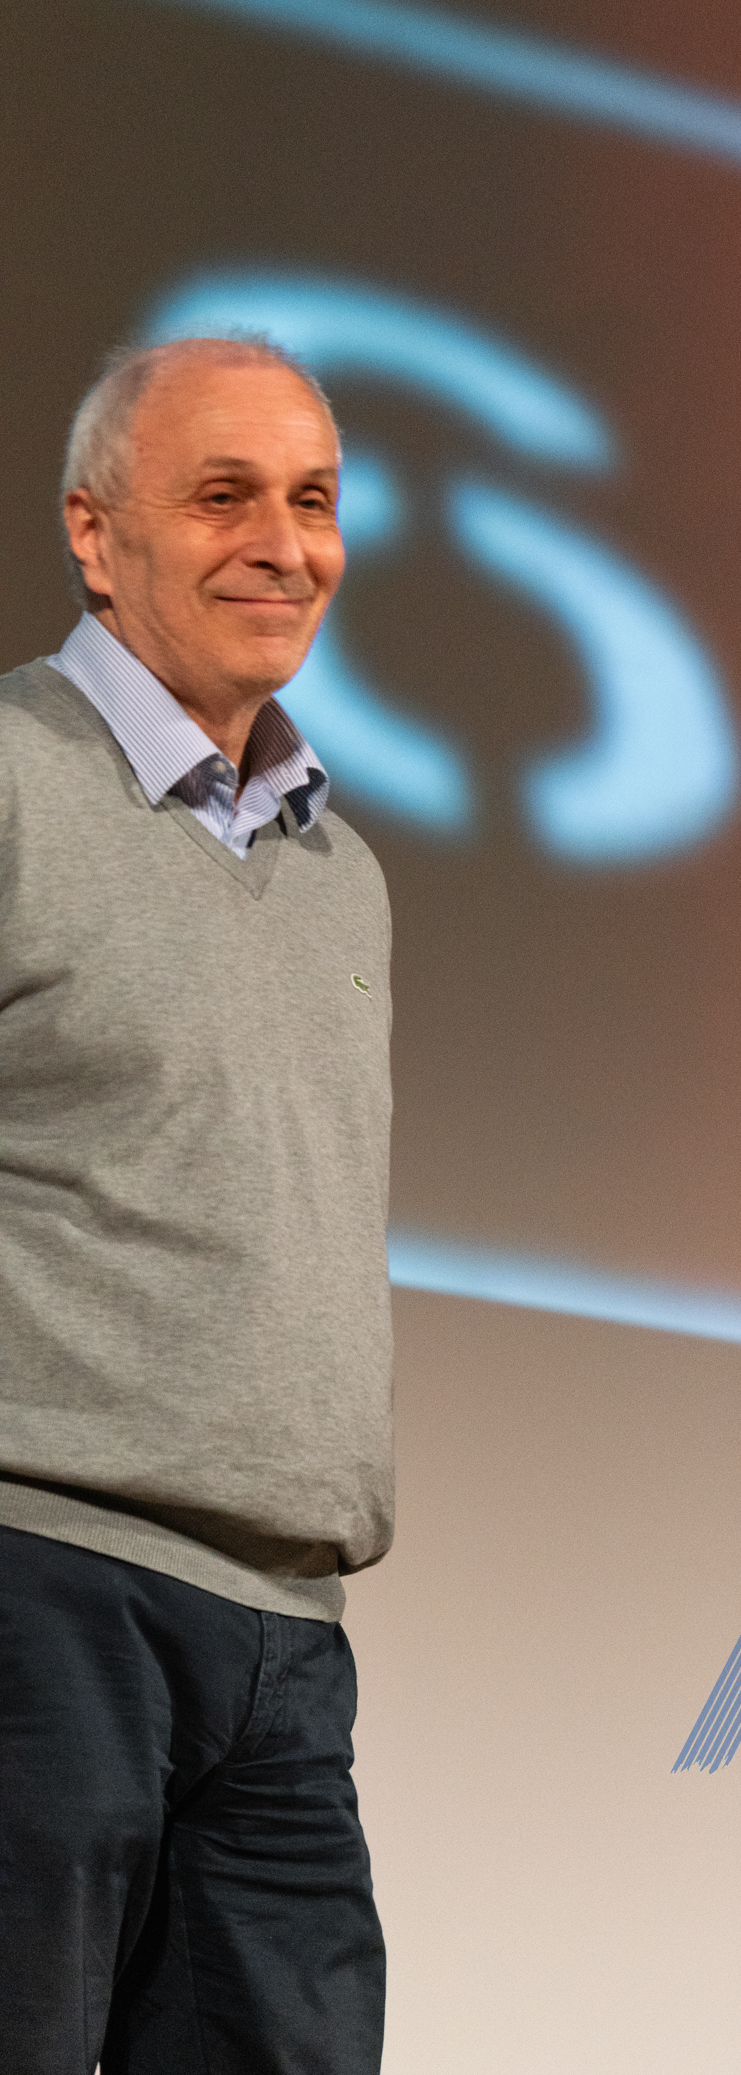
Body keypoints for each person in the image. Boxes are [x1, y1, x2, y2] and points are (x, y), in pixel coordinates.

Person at [0, 335, 393, 2070]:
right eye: (224, 495)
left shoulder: (341, 867)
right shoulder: (12, 776)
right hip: (39, 1586)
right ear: (96, 535)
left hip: (286, 1635)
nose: (282, 544)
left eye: (312, 500)